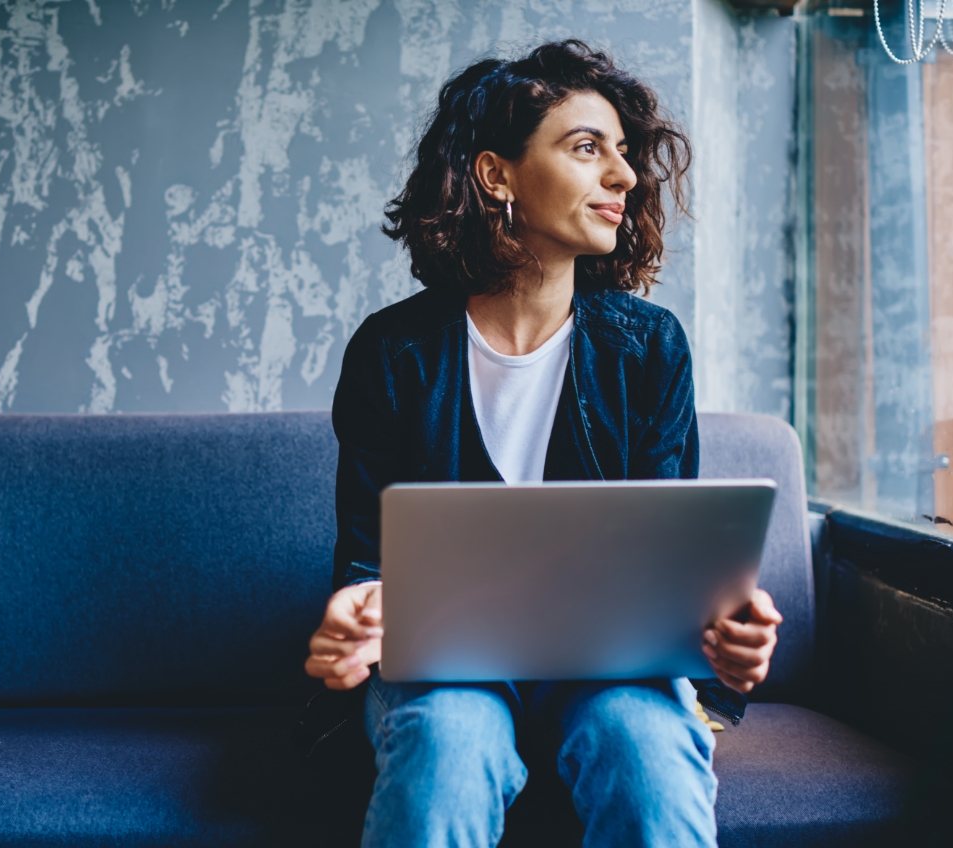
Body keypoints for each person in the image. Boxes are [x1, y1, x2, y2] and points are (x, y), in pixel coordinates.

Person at [303, 40, 783, 848]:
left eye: (623, 155)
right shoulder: (393, 353)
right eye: (587, 148)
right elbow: (367, 563)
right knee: (449, 742)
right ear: (497, 175)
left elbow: (670, 562)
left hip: (612, 670)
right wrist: (357, 616)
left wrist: (720, 625)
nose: (624, 176)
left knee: (648, 748)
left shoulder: (649, 347)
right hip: (446, 672)